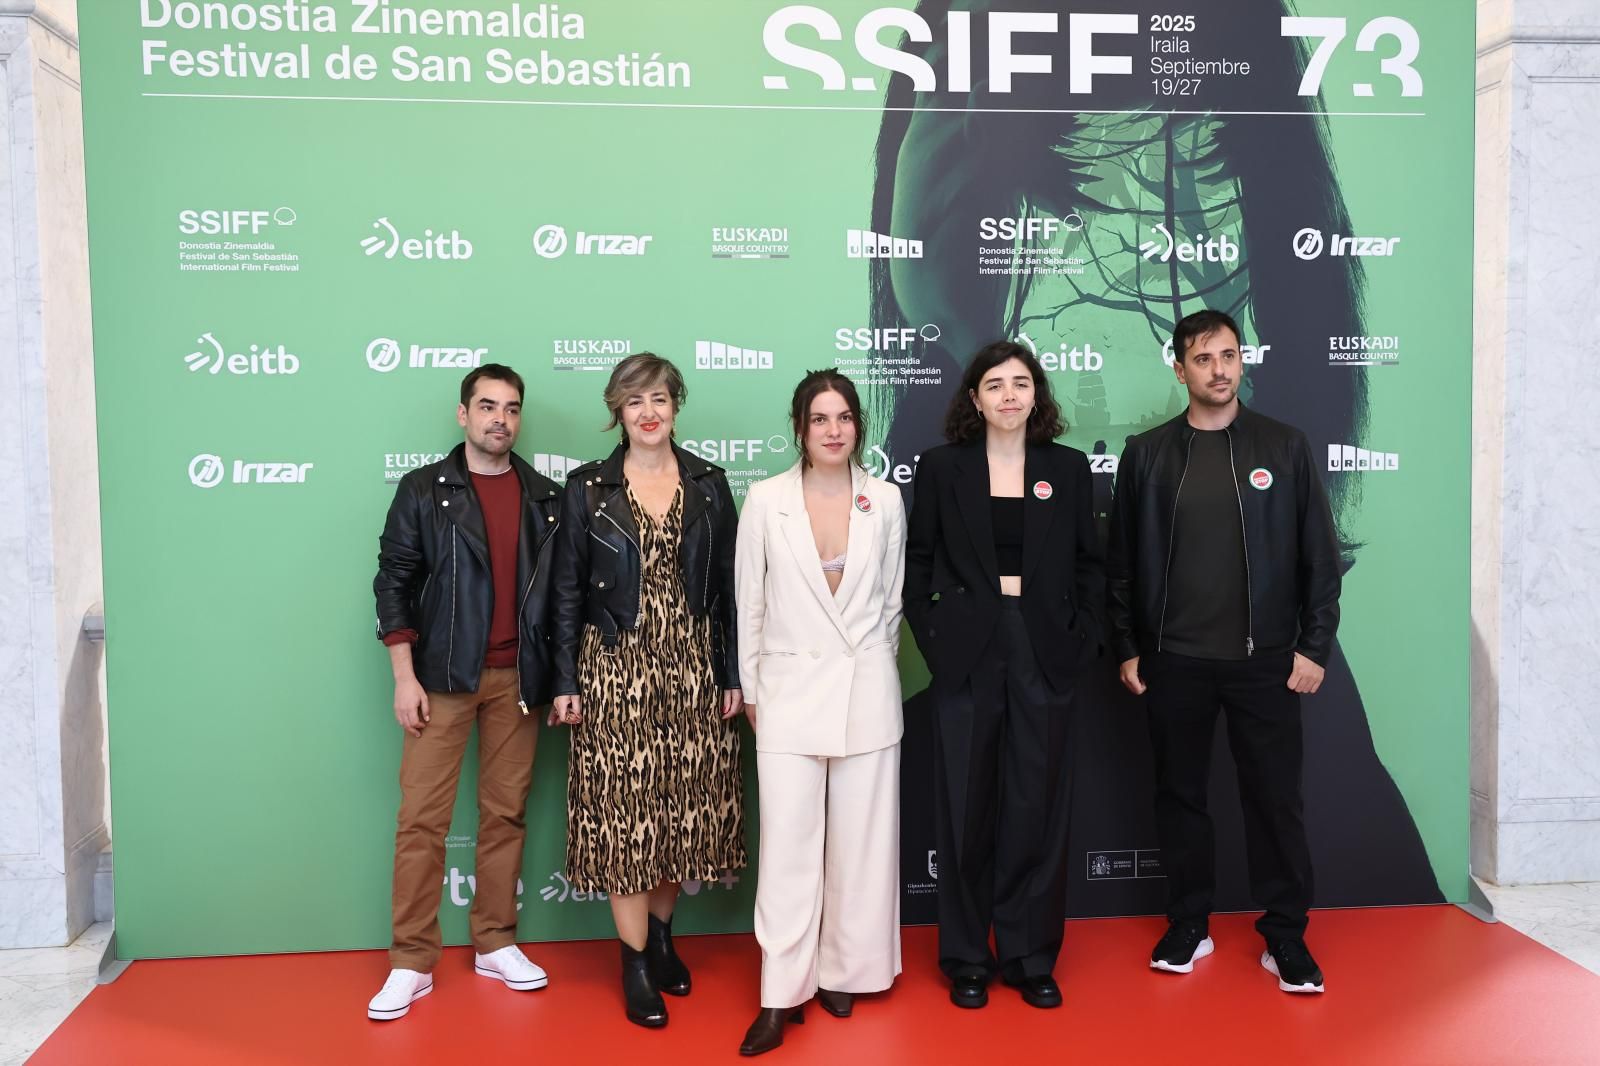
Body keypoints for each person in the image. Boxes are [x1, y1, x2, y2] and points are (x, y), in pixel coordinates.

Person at [1108, 308, 1340, 994]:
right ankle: (1189, 924)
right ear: (1178, 368)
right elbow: (1121, 564)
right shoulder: (1147, 454)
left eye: (1229, 356)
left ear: (1243, 362)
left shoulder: (1286, 447)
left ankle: (1286, 937)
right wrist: (1126, 645)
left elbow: (1318, 561)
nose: (1219, 370)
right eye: (1204, 359)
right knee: (1180, 798)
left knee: (1275, 801)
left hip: (1264, 661)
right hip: (1173, 660)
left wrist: (1313, 646)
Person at [904, 340, 1104, 1010]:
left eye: (1022, 383)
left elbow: (1090, 565)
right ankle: (965, 956)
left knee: (1036, 807)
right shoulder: (941, 469)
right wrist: (936, 640)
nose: (1010, 395)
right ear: (974, 398)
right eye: (996, 384)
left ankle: (1028, 955)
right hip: (966, 654)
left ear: (1037, 396)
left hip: (1045, 652)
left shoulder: (1069, 470)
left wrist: (1081, 640)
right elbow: (918, 564)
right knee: (965, 807)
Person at [549, 352, 745, 1028]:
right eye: (634, 401)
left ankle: (663, 939)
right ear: (617, 411)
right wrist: (567, 681)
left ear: (675, 403)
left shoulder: (711, 486)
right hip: (616, 669)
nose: (648, 411)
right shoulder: (587, 489)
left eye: (659, 397)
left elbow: (730, 594)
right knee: (627, 820)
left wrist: (731, 674)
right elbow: (567, 593)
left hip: (692, 669)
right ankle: (633, 964)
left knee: (682, 814)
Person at [368, 364, 564, 1021]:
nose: (499, 419)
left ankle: (494, 942)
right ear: (463, 414)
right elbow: (393, 581)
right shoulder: (425, 490)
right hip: (442, 678)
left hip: (519, 684)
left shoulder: (544, 496)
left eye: (510, 408)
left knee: (505, 815)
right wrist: (404, 676)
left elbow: (559, 600)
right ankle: (410, 961)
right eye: (486, 406)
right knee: (422, 820)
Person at [734, 371, 906, 1056]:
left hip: (866, 691)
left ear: (857, 425)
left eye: (843, 417)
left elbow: (891, 605)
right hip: (786, 693)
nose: (833, 430)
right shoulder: (766, 499)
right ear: (800, 428)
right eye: (818, 418)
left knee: (862, 848)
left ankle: (843, 971)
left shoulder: (885, 500)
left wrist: (871, 671)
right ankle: (780, 993)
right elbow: (749, 602)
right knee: (788, 851)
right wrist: (751, 689)